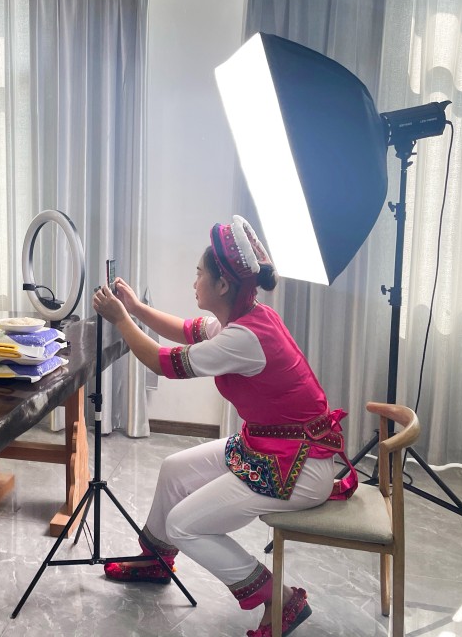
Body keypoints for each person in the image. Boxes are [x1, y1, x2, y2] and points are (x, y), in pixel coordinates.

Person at [91, 215, 356, 637]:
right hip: (273, 448)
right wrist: (137, 309)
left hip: (298, 468)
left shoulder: (243, 338)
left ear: (222, 285)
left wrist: (121, 320)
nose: (193, 282)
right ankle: (156, 561)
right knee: (174, 470)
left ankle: (280, 598)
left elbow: (165, 362)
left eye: (199, 274)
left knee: (184, 524)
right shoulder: (242, 318)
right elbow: (184, 330)